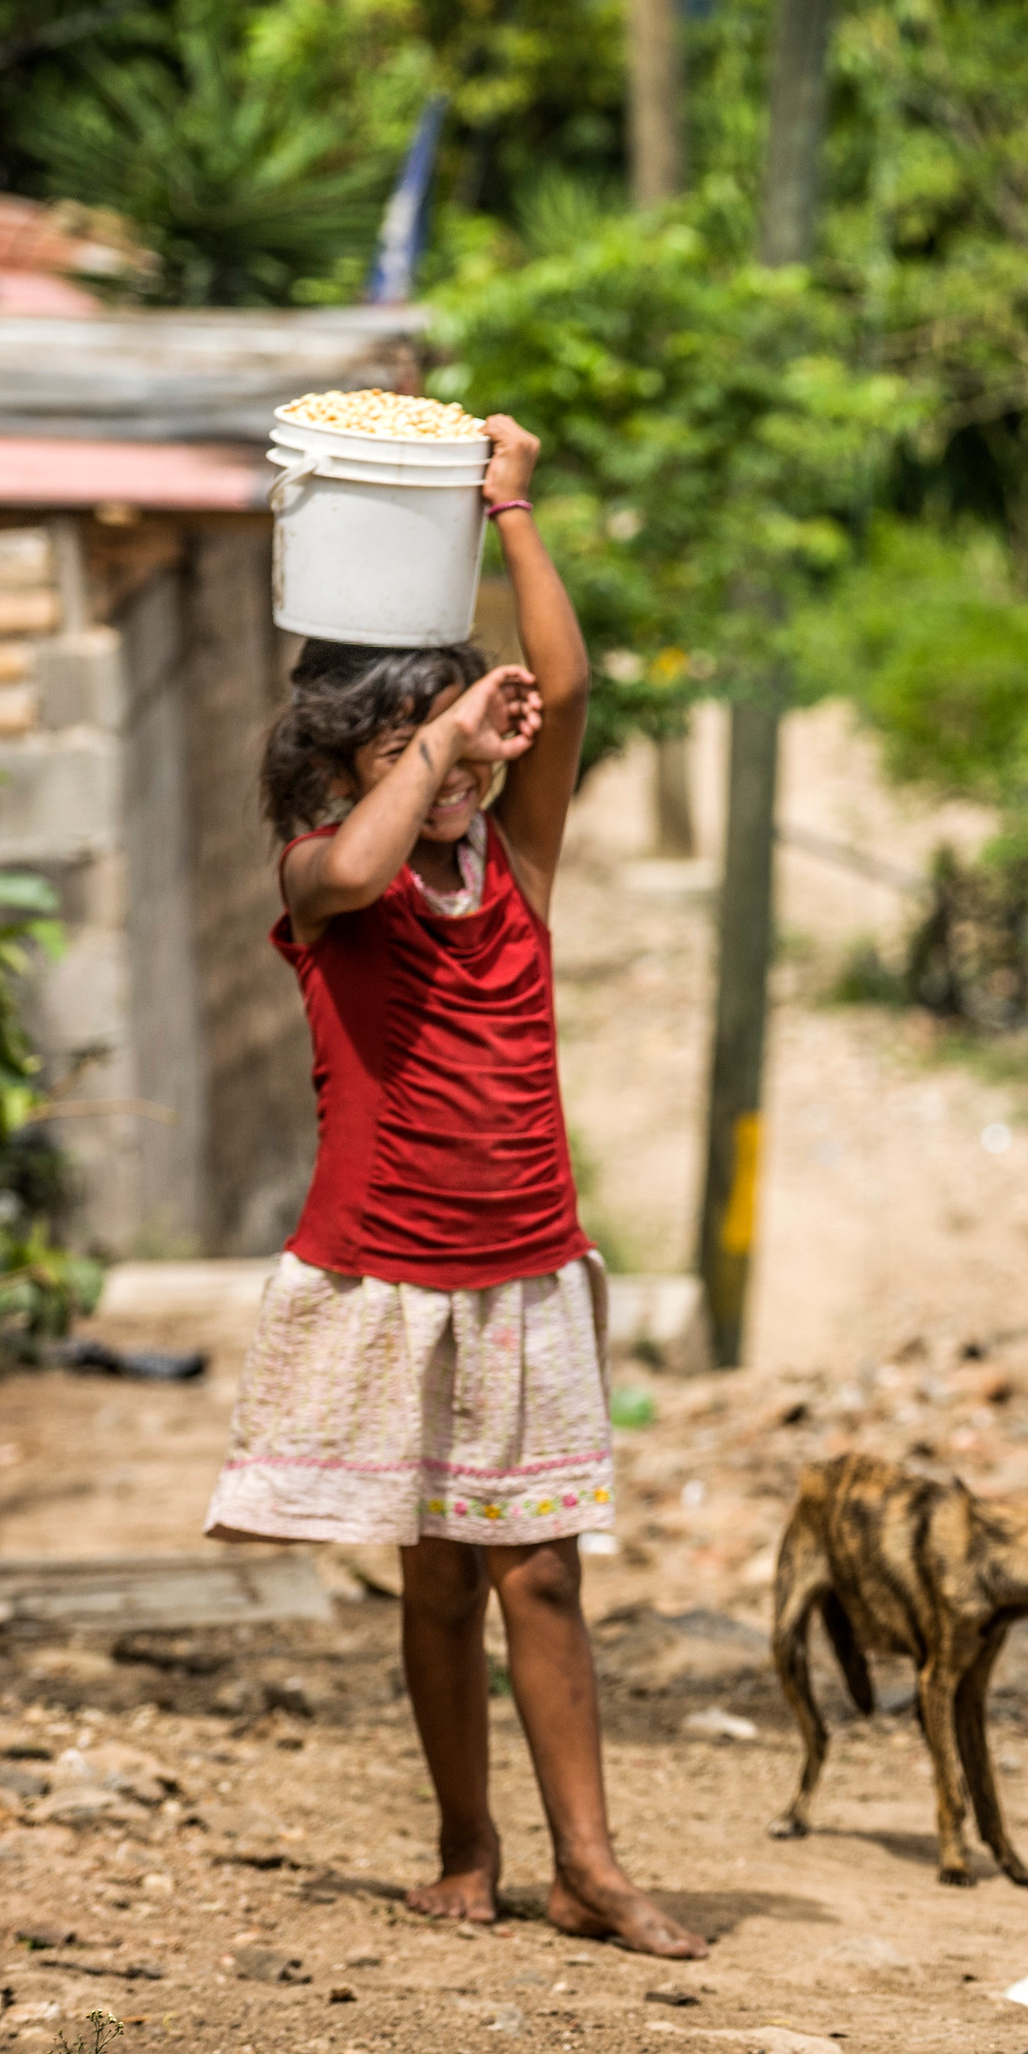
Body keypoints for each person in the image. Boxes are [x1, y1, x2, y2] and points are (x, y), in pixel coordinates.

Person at [207, 413, 702, 1961]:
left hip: (524, 1269)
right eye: (406, 745)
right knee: (436, 1585)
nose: (457, 768)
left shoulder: (517, 870)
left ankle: (590, 1866)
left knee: (539, 1574)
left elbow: (572, 690)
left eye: (468, 745)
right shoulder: (322, 886)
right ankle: (464, 1846)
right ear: (340, 764)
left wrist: (515, 514)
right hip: (394, 1275)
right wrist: (442, 728)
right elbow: (358, 866)